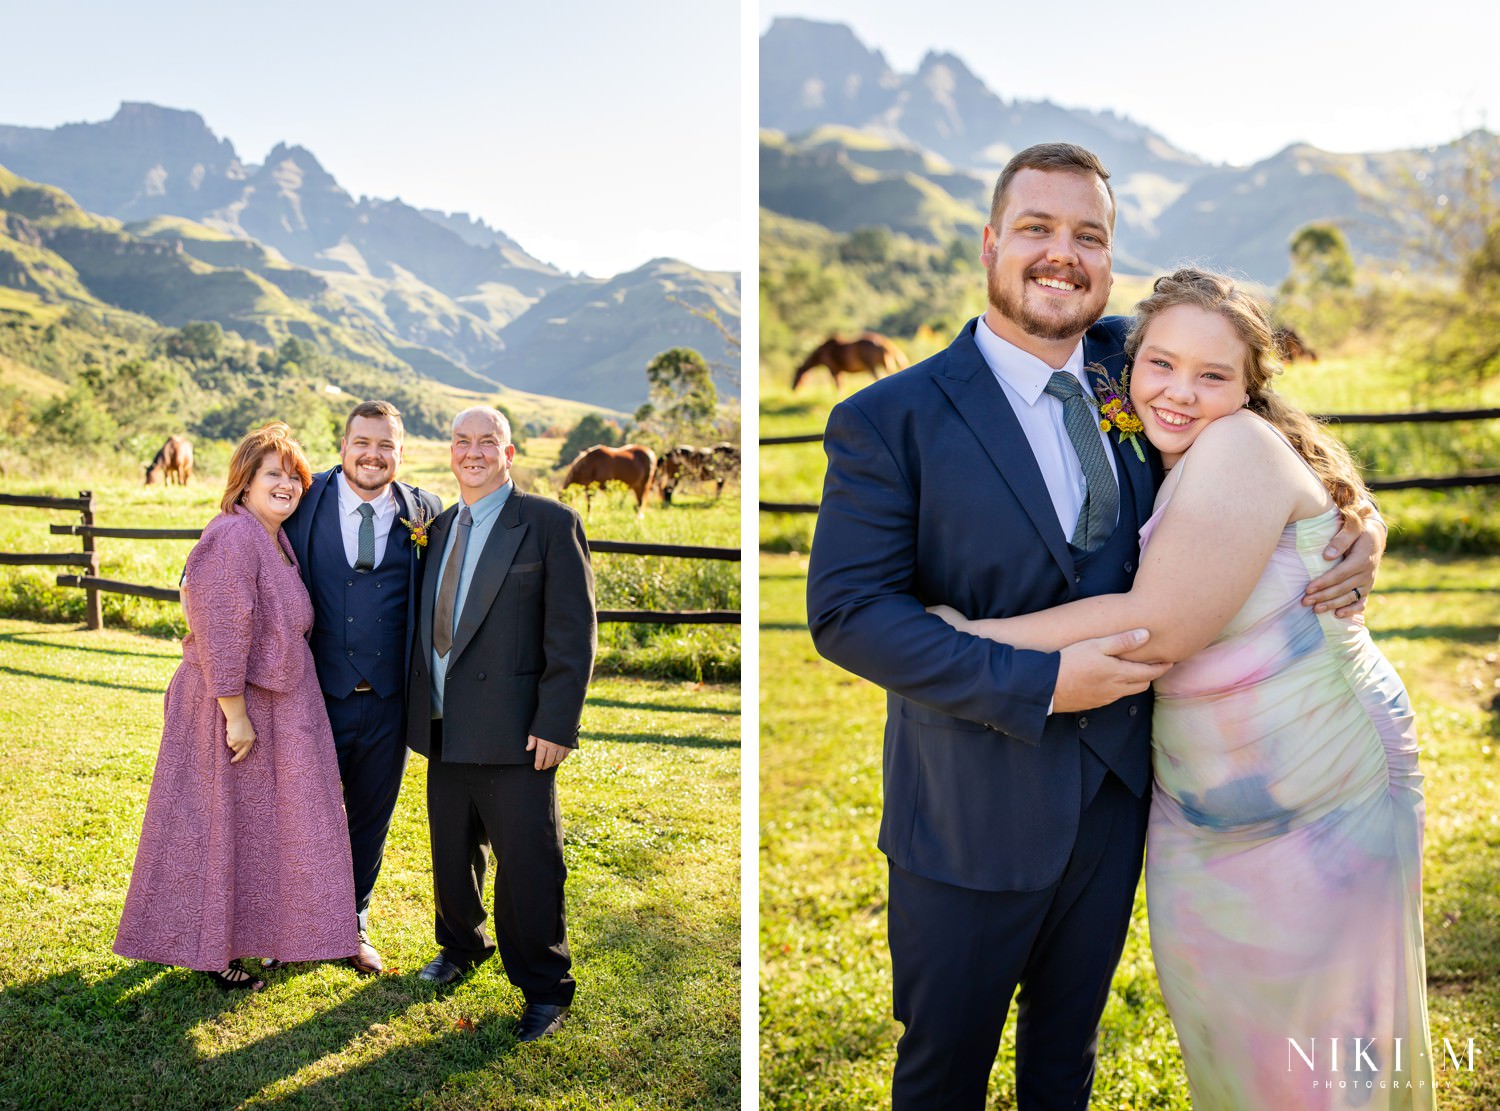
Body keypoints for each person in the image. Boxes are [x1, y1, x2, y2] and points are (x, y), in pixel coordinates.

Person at [804, 143, 1385, 1109]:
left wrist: (1361, 520)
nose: (1060, 254)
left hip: (1125, 796)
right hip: (968, 809)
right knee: (944, 1070)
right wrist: (1036, 683)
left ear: (1110, 263)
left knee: (1066, 1060)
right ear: (991, 244)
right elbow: (848, 614)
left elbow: (1281, 443)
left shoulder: (1146, 362)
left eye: (1088, 236)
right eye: (1035, 228)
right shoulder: (890, 417)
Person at [929, 268, 1432, 1107]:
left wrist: (963, 639)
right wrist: (1362, 516)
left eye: (1214, 376)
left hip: (1318, 781)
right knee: (1234, 1044)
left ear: (1249, 389)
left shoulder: (1235, 443)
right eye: (1160, 365)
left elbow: (1153, 625)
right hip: (1206, 800)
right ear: (1130, 363)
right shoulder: (1144, 429)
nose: (1180, 392)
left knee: (1324, 1052)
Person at [115, 422, 359, 990]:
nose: (287, 485)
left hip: (273, 705)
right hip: (233, 708)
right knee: (217, 829)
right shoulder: (232, 537)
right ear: (244, 483)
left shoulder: (271, 538)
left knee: (256, 832)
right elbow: (221, 630)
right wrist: (236, 714)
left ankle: (256, 935)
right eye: (272, 474)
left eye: (294, 476)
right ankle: (213, 948)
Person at [405, 406, 596, 1044]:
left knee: (529, 862)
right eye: (463, 441)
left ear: (508, 453)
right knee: (451, 851)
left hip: (518, 731)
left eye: (488, 441)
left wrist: (558, 723)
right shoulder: (432, 529)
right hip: (442, 721)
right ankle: (461, 947)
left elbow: (573, 634)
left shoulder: (547, 523)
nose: (474, 452)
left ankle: (545, 987)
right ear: (450, 451)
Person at [283, 400, 443, 974]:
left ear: (400, 453)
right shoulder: (304, 499)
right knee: (302, 814)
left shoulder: (425, 510)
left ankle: (351, 924)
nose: (372, 455)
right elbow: (243, 536)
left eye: (385, 446)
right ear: (343, 445)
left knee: (370, 817)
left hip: (390, 702)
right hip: (311, 695)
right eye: (362, 443)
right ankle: (293, 925)